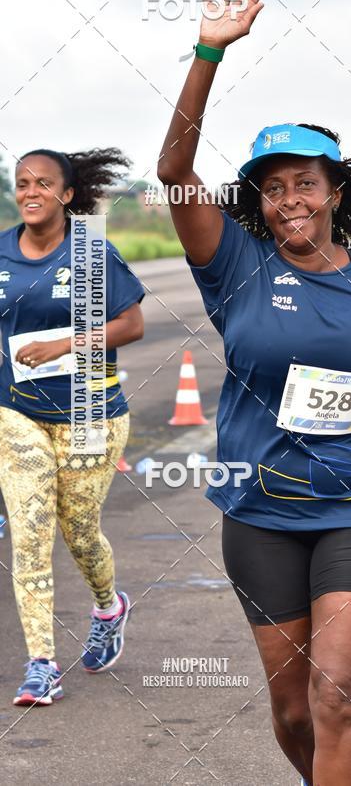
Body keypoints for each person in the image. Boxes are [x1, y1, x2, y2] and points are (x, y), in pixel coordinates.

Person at [158, 0, 351, 786]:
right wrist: (209, 51)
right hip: (261, 509)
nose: (289, 200)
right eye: (273, 188)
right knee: (294, 710)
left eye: (305, 182)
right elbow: (174, 168)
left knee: (336, 693)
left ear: (336, 189)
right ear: (259, 201)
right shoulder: (235, 266)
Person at [0, 148, 144, 706]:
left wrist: (64, 342)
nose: (30, 192)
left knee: (78, 532)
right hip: (15, 410)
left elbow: (130, 323)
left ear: (65, 194)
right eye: (21, 183)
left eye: (42, 183)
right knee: (30, 531)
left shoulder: (90, 252)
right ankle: (41, 663)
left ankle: (109, 606)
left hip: (90, 410)